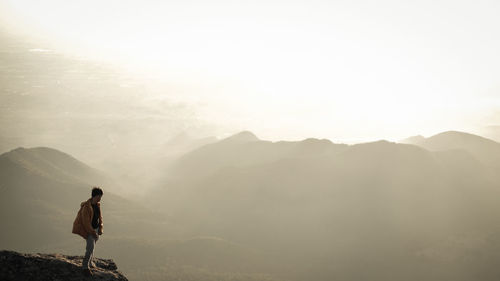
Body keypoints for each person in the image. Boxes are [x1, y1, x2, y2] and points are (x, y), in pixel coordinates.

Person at [72, 187, 104, 276]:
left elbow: (100, 217)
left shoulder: (97, 205)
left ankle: (90, 263)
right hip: (90, 230)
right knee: (90, 248)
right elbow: (86, 223)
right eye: (99, 196)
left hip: (96, 229)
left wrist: (100, 228)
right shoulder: (86, 207)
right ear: (95, 196)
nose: (100, 198)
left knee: (93, 247)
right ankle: (85, 267)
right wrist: (93, 233)